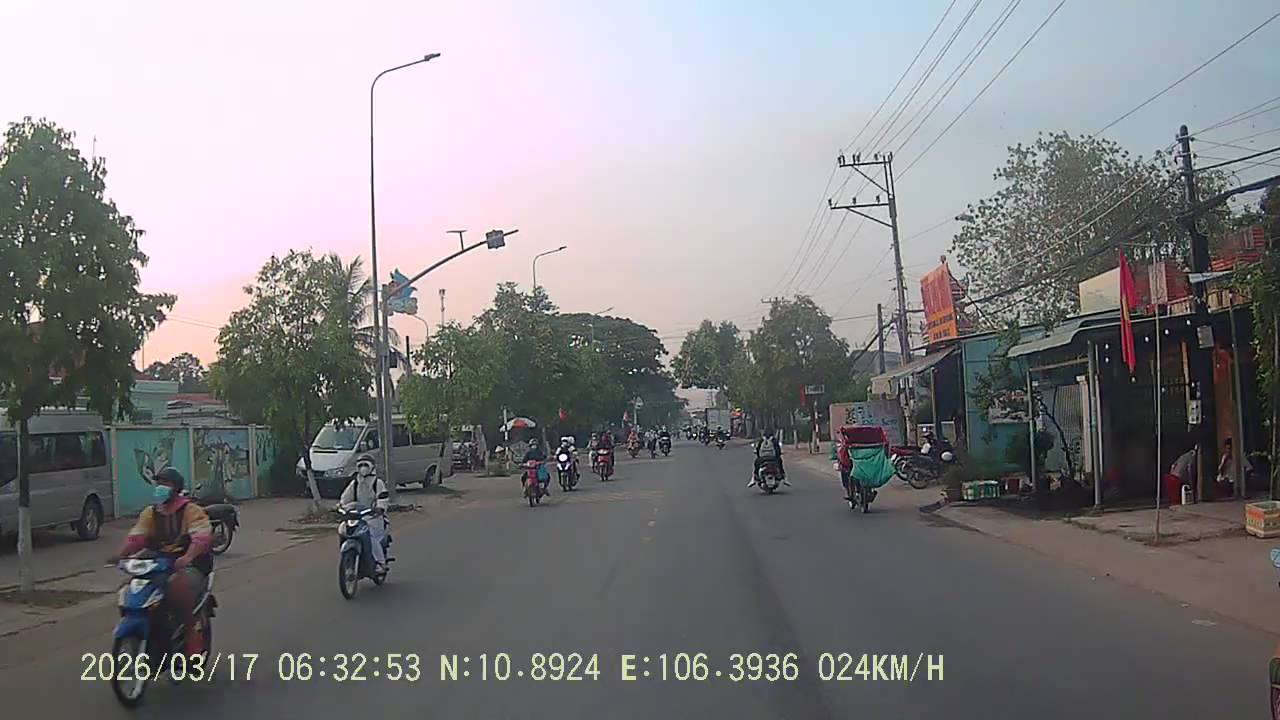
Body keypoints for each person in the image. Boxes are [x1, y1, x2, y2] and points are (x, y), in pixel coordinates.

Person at [113, 467, 212, 655]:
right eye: (158, 483)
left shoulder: (191, 510)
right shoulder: (151, 512)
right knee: (130, 587)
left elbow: (201, 538)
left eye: (165, 484)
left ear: (176, 488)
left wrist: (188, 557)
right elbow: (137, 537)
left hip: (190, 561)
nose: (160, 487)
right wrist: (121, 555)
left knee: (176, 586)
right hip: (159, 561)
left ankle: (190, 632)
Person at [339, 453, 390, 572]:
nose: (363, 468)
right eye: (360, 465)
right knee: (344, 530)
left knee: (371, 538)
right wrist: (341, 506)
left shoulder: (378, 483)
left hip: (374, 517)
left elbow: (383, 498)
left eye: (365, 465)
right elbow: (345, 498)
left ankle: (380, 563)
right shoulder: (355, 483)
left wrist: (380, 508)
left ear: (372, 467)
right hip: (358, 516)